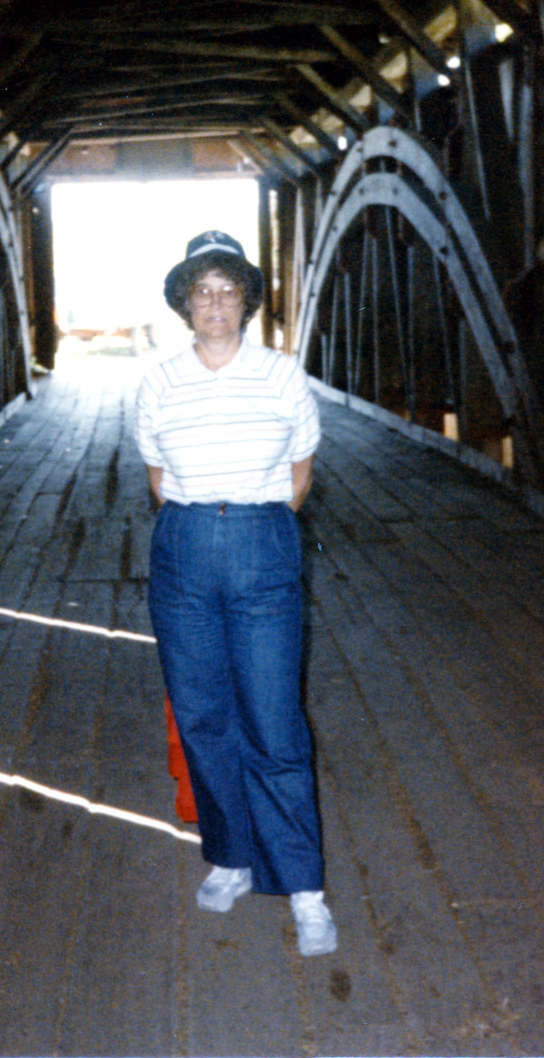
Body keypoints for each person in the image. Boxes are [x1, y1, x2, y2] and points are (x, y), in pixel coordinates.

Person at [135, 230, 336, 958]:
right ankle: (231, 858)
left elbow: (300, 474)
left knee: (274, 718)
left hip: (261, 546)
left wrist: (245, 519)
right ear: (185, 304)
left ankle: (305, 887)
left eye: (228, 289)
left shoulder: (283, 375)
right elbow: (158, 480)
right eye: (202, 291)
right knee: (202, 713)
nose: (216, 303)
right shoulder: (159, 381)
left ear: (247, 301)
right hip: (183, 550)